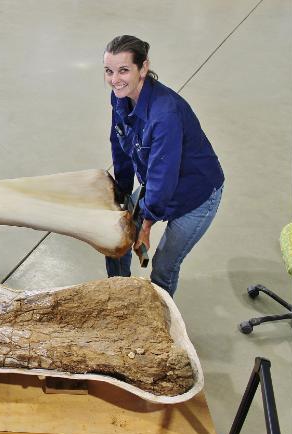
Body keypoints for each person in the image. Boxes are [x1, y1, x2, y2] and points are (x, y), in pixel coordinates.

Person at [103, 35, 225, 297]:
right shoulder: (120, 97)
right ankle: (120, 300)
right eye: (109, 71)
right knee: (116, 239)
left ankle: (160, 327)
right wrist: (121, 197)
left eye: (124, 70)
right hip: (161, 183)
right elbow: (119, 145)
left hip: (196, 194)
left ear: (143, 67)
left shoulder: (164, 114)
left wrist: (145, 225)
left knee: (163, 268)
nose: (115, 79)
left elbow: (162, 176)